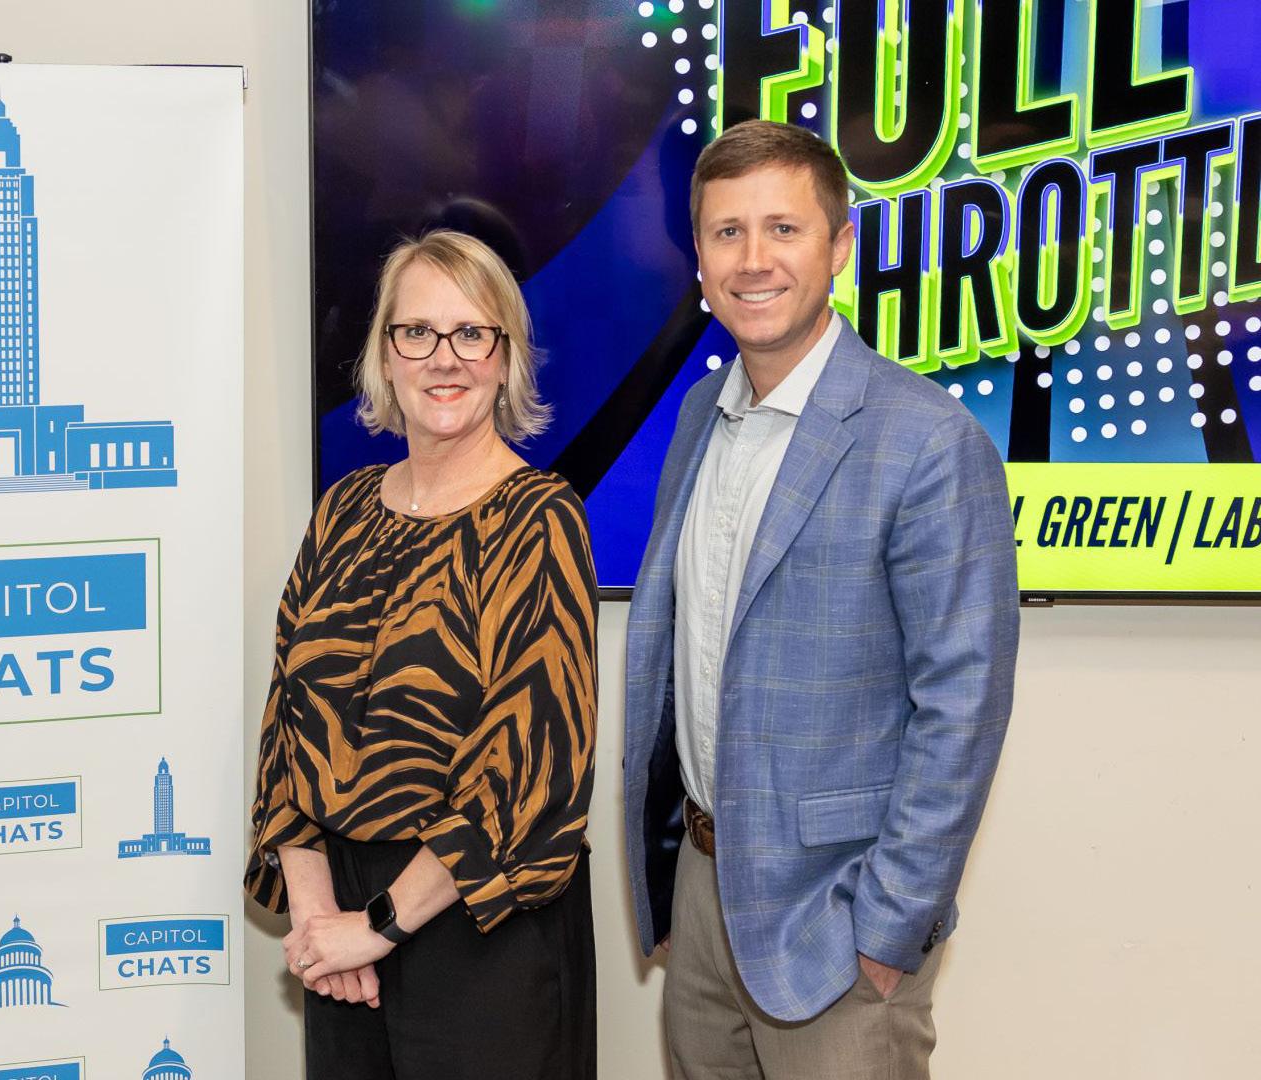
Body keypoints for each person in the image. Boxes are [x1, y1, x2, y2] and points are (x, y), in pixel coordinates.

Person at [621, 120, 1018, 1079]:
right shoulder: (699, 416)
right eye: (727, 232)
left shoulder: (928, 441)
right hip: (704, 902)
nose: (753, 260)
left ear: (839, 247)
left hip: (836, 926)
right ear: (700, 258)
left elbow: (963, 707)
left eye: (783, 229)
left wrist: (887, 928)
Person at [247, 230, 599, 1078]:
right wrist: (322, 922)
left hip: (482, 928)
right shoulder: (342, 511)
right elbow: (288, 726)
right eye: (417, 332)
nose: (444, 358)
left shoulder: (540, 519)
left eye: (471, 333)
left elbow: (528, 768)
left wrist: (378, 925)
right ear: (385, 354)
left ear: (505, 359)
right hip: (341, 931)